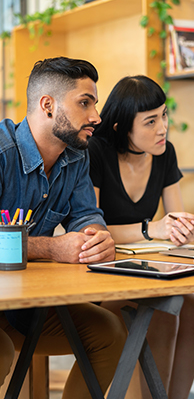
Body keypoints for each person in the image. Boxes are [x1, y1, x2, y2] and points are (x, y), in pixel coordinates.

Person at [0, 57, 127, 399]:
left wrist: (95, 239)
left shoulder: (76, 156)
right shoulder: (1, 153)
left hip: (26, 307)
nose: (96, 116)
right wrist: (53, 248)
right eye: (85, 103)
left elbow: (87, 215)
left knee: (109, 333)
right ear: (48, 105)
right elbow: (54, 246)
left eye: (94, 104)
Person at [88, 75, 194, 399]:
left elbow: (175, 218)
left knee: (193, 308)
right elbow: (91, 231)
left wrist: (182, 230)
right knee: (165, 311)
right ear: (122, 127)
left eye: (164, 115)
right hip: (100, 270)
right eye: (150, 121)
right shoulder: (97, 152)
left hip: (144, 266)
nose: (162, 128)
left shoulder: (165, 154)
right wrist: (151, 229)